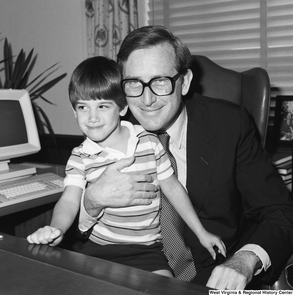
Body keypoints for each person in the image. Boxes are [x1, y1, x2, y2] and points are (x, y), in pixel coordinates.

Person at [77, 26, 293, 290]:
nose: (147, 99)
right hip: (127, 274)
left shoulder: (229, 124)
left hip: (210, 276)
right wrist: (91, 201)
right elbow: (75, 230)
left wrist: (244, 260)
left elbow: (278, 210)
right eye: (134, 83)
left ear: (185, 81)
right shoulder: (107, 129)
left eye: (160, 81)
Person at [26, 56, 226, 277]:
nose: (92, 117)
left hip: (146, 251)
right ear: (74, 111)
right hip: (98, 250)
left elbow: (173, 188)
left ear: (122, 108)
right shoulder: (80, 156)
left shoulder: (149, 141)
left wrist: (201, 232)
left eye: (102, 106)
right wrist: (56, 229)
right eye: (83, 107)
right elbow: (69, 200)